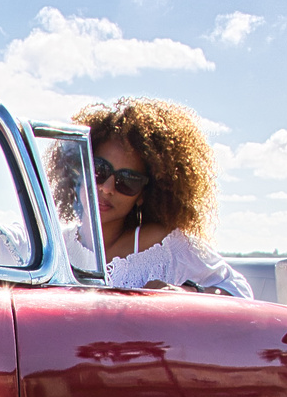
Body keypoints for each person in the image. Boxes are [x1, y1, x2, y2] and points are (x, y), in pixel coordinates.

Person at [66, 97, 252, 297]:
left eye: (128, 180)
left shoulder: (164, 245)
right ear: (81, 167)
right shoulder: (53, 245)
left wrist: (186, 292)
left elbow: (240, 291)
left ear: (143, 195)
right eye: (99, 170)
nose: (108, 188)